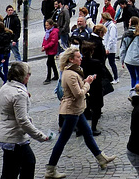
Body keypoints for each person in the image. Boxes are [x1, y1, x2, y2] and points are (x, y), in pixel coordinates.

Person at [45, 47, 116, 178]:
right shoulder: (70, 74)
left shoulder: (74, 71)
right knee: (62, 140)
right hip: (71, 110)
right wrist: (88, 83)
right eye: (78, 57)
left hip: (77, 109)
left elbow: (77, 88)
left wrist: (85, 81)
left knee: (88, 134)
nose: (81, 58)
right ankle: (50, 169)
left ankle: (101, 158)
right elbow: (78, 94)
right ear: (71, 59)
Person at [0, 62, 51, 179]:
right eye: (28, 74)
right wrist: (40, 136)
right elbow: (23, 121)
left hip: (6, 135)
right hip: (14, 137)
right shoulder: (19, 94)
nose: (29, 76)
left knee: (14, 169)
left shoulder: (6, 87)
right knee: (24, 165)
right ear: (23, 76)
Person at [80, 41, 112, 136]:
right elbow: (103, 74)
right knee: (97, 108)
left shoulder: (80, 63)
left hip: (83, 86)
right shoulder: (96, 62)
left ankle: (80, 128)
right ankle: (93, 128)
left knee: (84, 107)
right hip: (95, 87)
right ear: (92, 51)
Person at [120, 17, 139, 96]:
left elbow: (122, 49)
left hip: (128, 60)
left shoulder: (126, 34)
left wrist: (122, 60)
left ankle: (133, 93)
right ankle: (137, 93)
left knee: (133, 77)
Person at [41, 19, 59, 85]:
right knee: (52, 63)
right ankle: (56, 75)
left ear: (51, 25)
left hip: (52, 49)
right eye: (45, 25)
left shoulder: (54, 32)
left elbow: (53, 42)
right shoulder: (48, 31)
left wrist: (45, 47)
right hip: (49, 49)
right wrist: (43, 45)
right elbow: (45, 39)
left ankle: (48, 78)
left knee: (49, 63)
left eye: (47, 25)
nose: (46, 26)